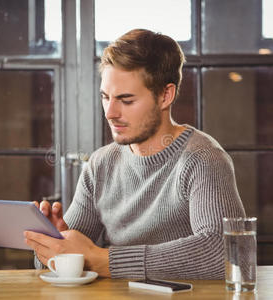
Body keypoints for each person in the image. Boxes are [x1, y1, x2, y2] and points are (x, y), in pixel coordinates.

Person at [24, 28, 245, 279]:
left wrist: (101, 260)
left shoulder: (203, 159)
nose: (110, 112)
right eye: (105, 97)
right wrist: (55, 244)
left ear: (165, 95)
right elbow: (54, 264)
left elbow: (224, 253)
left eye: (126, 100)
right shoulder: (101, 164)